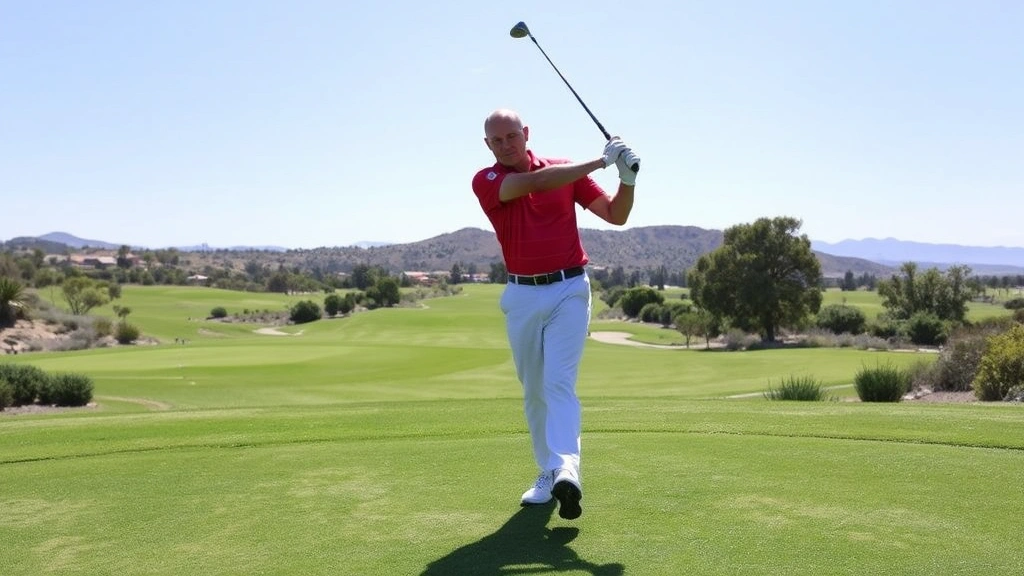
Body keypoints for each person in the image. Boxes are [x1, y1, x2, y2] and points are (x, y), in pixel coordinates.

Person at [471, 109, 640, 520]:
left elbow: (616, 215)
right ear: (488, 145)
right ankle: (548, 471)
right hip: (522, 294)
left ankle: (566, 469)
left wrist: (627, 178)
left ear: (526, 134)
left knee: (558, 383)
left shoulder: (567, 173)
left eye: (513, 136)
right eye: (498, 140)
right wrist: (602, 159)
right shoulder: (488, 180)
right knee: (534, 391)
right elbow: (538, 182)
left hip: (568, 288)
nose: (507, 144)